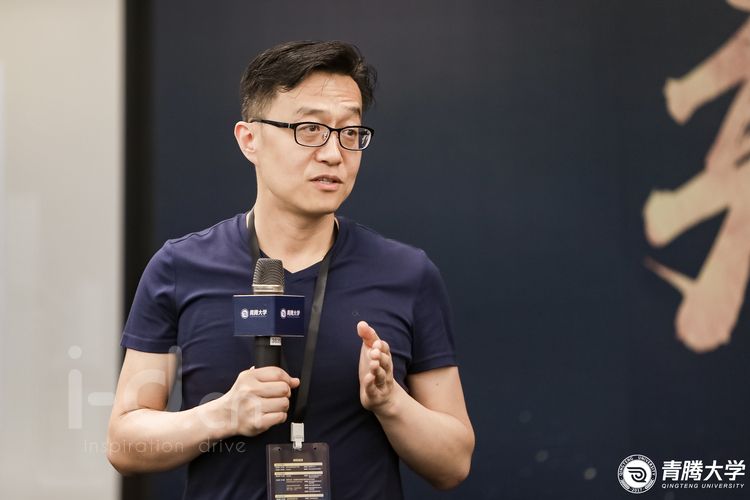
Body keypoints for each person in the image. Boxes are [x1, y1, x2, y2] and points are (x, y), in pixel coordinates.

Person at [107, 40, 475, 499]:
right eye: (310, 129)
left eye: (349, 132)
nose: (334, 153)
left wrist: (390, 401)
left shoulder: (407, 273)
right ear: (249, 140)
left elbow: (453, 464)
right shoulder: (180, 267)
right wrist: (222, 415)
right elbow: (124, 444)